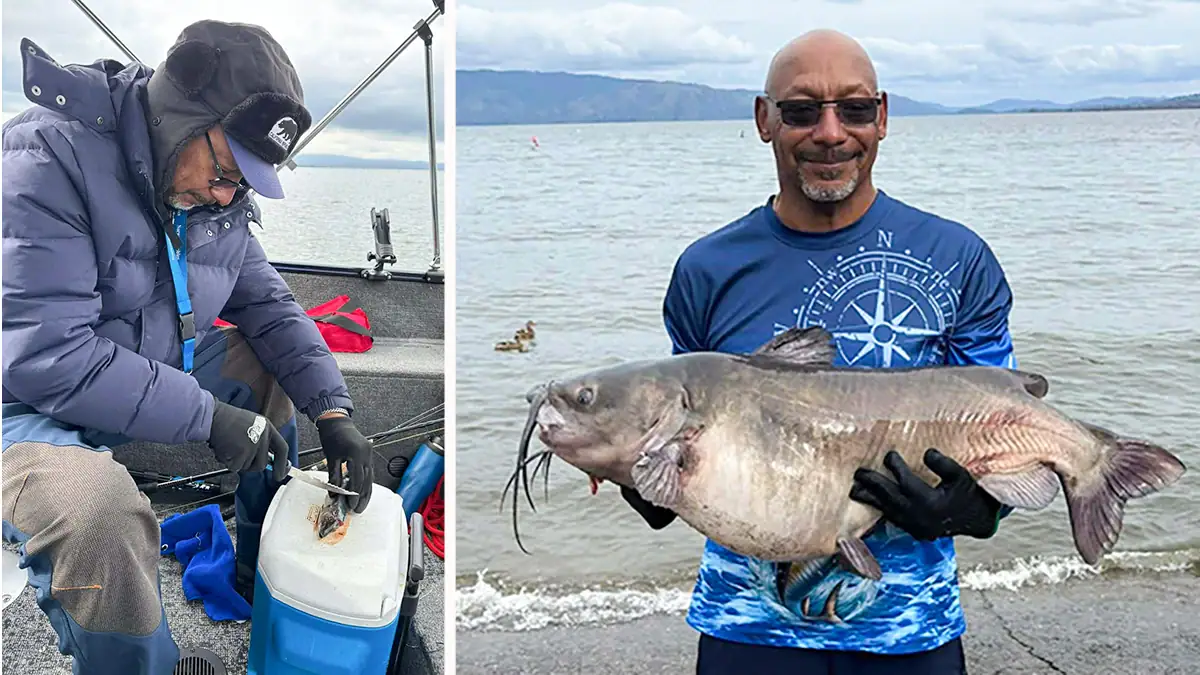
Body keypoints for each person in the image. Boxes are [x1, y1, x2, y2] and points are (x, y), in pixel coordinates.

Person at [620, 29, 1017, 674]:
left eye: (854, 109)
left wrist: (978, 510)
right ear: (764, 120)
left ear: (882, 118)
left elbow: (1002, 420)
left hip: (911, 632)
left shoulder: (958, 257)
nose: (831, 133)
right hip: (745, 632)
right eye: (802, 111)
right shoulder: (706, 269)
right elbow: (675, 457)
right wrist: (627, 467)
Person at [2, 20, 375, 675]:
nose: (228, 195)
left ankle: (260, 574)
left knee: (269, 364)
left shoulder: (213, 200)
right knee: (100, 513)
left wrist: (335, 413)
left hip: (133, 377)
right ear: (179, 117)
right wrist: (208, 416)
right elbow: (47, 357)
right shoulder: (47, 155)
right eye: (226, 171)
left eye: (246, 185)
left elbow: (270, 306)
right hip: (21, 404)